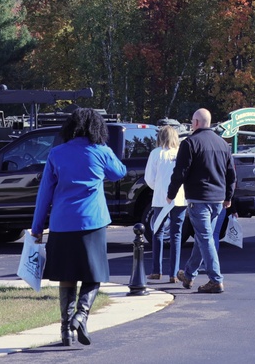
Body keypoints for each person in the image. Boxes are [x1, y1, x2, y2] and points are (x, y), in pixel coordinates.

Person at [30, 108, 126, 346]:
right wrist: (105, 148)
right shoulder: (100, 151)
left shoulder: (56, 153)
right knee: (94, 274)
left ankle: (65, 330)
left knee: (67, 275)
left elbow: (45, 193)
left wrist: (37, 226)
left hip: (62, 222)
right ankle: (81, 315)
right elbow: (119, 173)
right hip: (91, 221)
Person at [167, 108, 236, 294]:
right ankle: (188, 275)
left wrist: (171, 193)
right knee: (202, 238)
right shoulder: (223, 144)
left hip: (199, 199)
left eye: (191, 121)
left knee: (205, 239)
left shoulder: (189, 143)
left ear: (196, 122)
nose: (190, 125)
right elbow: (231, 174)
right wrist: (229, 197)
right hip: (218, 200)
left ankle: (216, 279)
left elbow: (180, 172)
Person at [144, 125, 186, 283]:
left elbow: (149, 178)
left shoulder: (156, 153)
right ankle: (174, 273)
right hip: (180, 198)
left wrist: (159, 188)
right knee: (176, 235)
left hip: (161, 199)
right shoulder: (180, 153)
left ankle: (156, 270)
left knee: (158, 233)